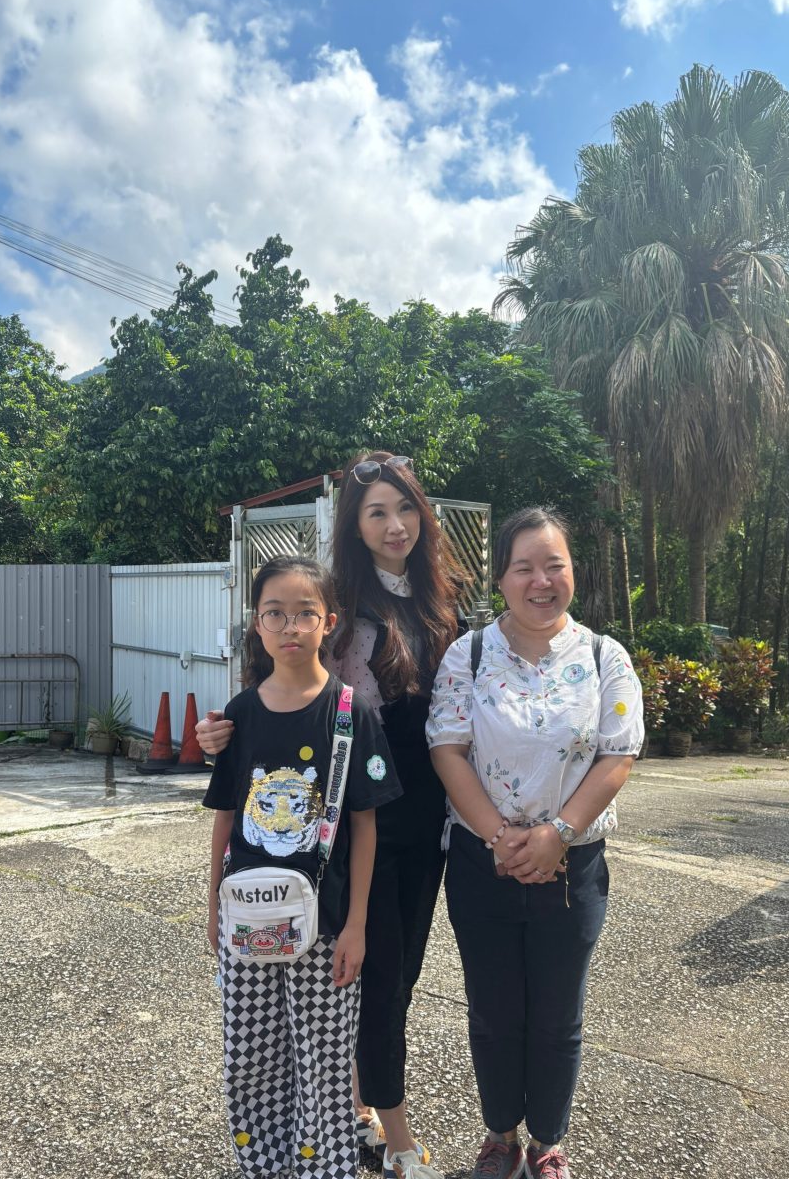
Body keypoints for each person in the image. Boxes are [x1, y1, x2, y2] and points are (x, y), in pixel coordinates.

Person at [198, 451, 463, 1179]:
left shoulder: (438, 600)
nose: (394, 524)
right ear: (354, 524)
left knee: (400, 975)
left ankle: (355, 1108)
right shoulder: (337, 601)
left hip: (427, 816)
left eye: (405, 508)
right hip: (355, 828)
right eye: (377, 512)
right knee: (375, 979)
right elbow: (280, 688)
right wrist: (222, 730)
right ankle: (395, 1137)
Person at [426, 507, 643, 1179]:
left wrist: (557, 835)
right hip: (480, 863)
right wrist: (500, 837)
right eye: (524, 567)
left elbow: (618, 755)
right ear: (501, 578)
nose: (540, 581)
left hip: (573, 868)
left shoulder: (605, 657)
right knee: (493, 1012)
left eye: (555, 566)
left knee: (557, 1016)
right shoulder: (468, 655)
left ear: (573, 572)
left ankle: (547, 1142)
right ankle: (500, 1137)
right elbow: (447, 749)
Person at [204, 555, 402, 1179]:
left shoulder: (350, 712)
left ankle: (324, 1168)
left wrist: (357, 926)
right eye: (274, 614)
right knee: (250, 1055)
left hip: (327, 923)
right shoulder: (240, 713)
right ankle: (262, 1165)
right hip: (247, 919)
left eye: (304, 613)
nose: (289, 626)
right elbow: (227, 816)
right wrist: (211, 906)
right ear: (256, 624)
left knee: (324, 1060)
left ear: (328, 623)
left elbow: (366, 827)